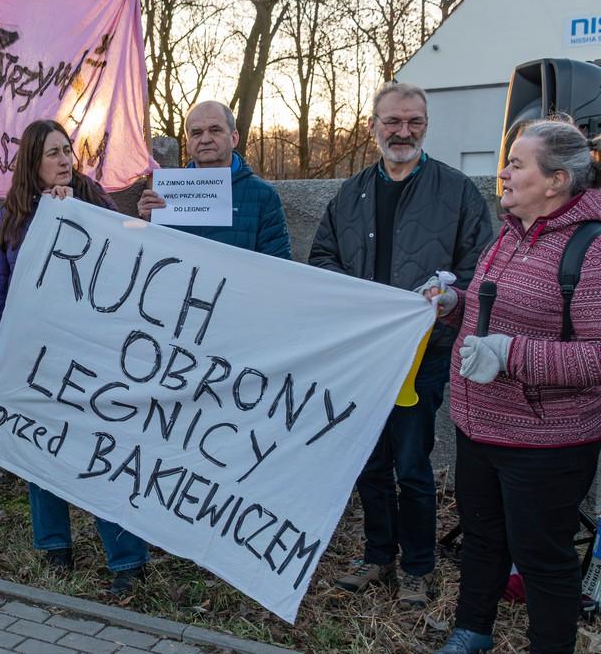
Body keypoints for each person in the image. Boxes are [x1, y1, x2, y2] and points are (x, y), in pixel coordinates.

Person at [310, 82, 492, 608]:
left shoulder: (456, 191)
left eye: (414, 121)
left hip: (423, 355)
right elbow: (323, 258)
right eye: (393, 121)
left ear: (426, 126)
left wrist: (452, 295)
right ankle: (375, 554)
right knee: (368, 462)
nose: (403, 131)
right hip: (365, 358)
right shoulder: (350, 194)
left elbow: (481, 266)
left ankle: (417, 565)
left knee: (412, 465)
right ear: (373, 126)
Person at [428, 117, 601, 654]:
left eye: (517, 164)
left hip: (547, 445)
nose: (502, 174)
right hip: (479, 428)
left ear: (556, 181)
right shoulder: (506, 235)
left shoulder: (592, 251)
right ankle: (472, 631)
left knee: (544, 558)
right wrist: (453, 307)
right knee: (482, 540)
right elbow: (487, 314)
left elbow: (597, 357)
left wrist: (511, 354)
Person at [0, 119, 150, 596]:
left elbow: (130, 260)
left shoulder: (93, 201)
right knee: (42, 451)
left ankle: (127, 560)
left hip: (93, 359)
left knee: (103, 453)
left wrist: (77, 219)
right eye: (52, 153)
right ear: (33, 162)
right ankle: (54, 548)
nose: (65, 160)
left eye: (68, 150)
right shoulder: (11, 218)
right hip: (36, 360)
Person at [136, 100, 291, 258]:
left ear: (234, 138)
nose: (205, 139)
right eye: (196, 133)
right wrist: (146, 223)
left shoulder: (263, 195)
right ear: (188, 144)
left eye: (215, 130)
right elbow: (148, 257)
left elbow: (279, 264)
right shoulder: (164, 192)